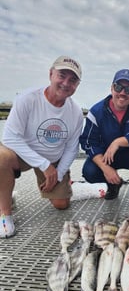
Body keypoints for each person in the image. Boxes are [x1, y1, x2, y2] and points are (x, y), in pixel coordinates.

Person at [0, 56, 84, 238]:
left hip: (54, 158)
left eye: (73, 80)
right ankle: (5, 213)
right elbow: (9, 137)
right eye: (61, 76)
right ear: (51, 74)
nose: (66, 83)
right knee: (1, 157)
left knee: (61, 204)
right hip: (22, 154)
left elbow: (71, 148)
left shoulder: (76, 111)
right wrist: (44, 165)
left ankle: (9, 194)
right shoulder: (27, 99)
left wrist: (58, 173)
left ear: (77, 85)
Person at [79, 69, 129, 217]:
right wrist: (105, 167)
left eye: (128, 89)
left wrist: (119, 142)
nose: (122, 93)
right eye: (118, 87)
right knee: (89, 171)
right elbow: (89, 142)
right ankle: (114, 184)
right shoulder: (96, 111)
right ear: (111, 88)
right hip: (108, 157)